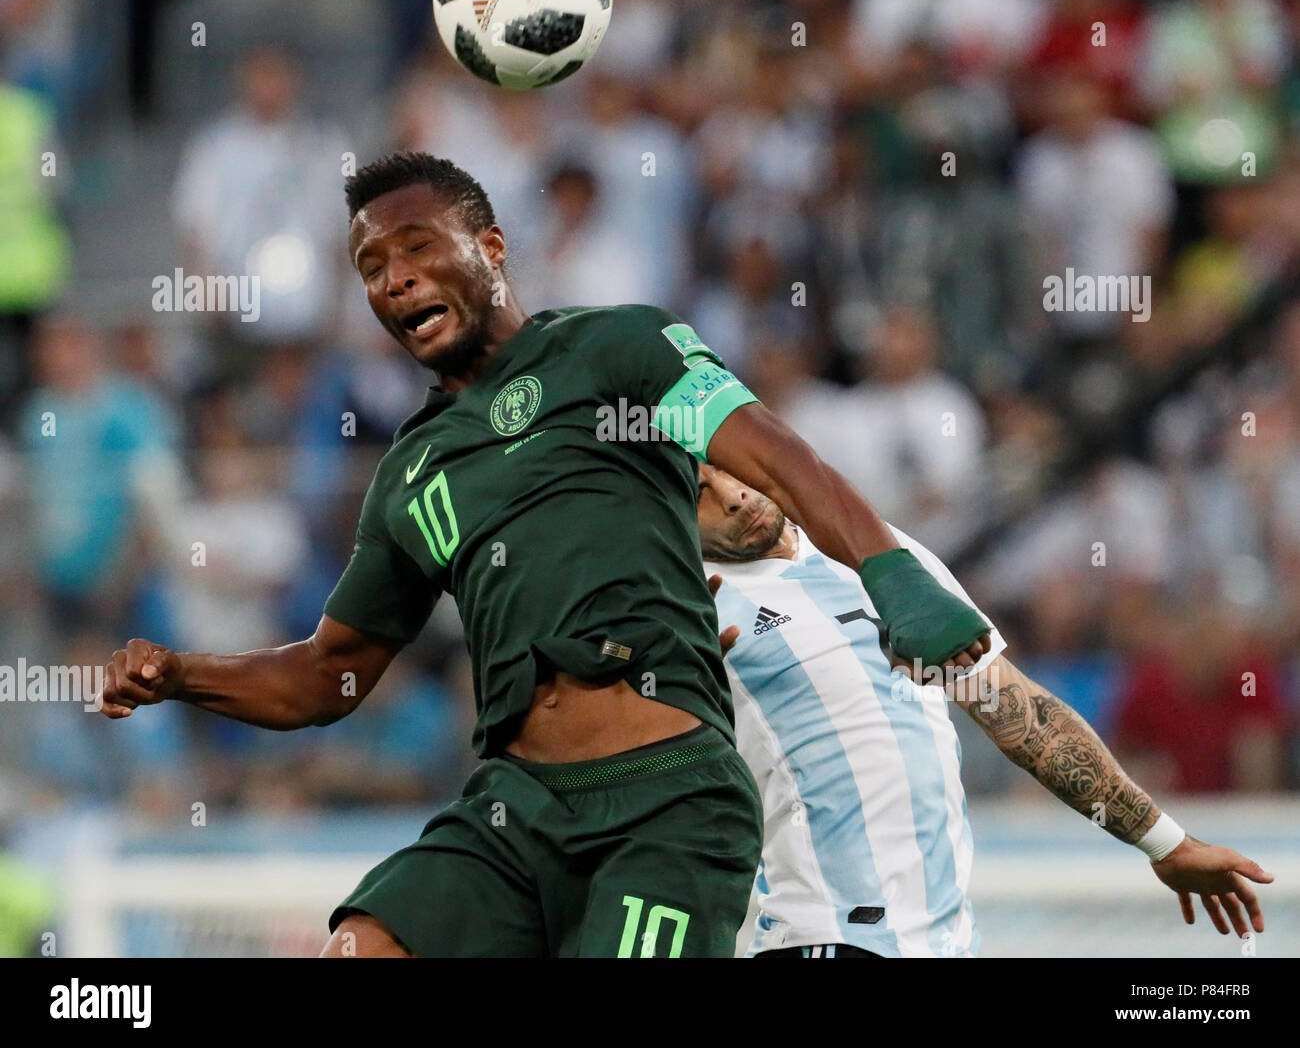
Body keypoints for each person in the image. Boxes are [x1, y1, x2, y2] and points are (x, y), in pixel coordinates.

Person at [99, 152, 991, 958]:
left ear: (490, 247)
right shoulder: (410, 472)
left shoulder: (617, 351)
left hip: (667, 808)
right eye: (371, 269)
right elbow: (327, 677)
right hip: (512, 811)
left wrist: (890, 568)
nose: (395, 280)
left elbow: (775, 454)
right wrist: (181, 674)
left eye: (415, 249)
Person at [697, 463, 1273, 958]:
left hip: (947, 944)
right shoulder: (690, 603)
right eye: (697, 490)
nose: (732, 494)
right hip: (821, 938)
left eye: (729, 467)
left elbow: (1018, 715)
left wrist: (1166, 842)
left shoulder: (874, 552)